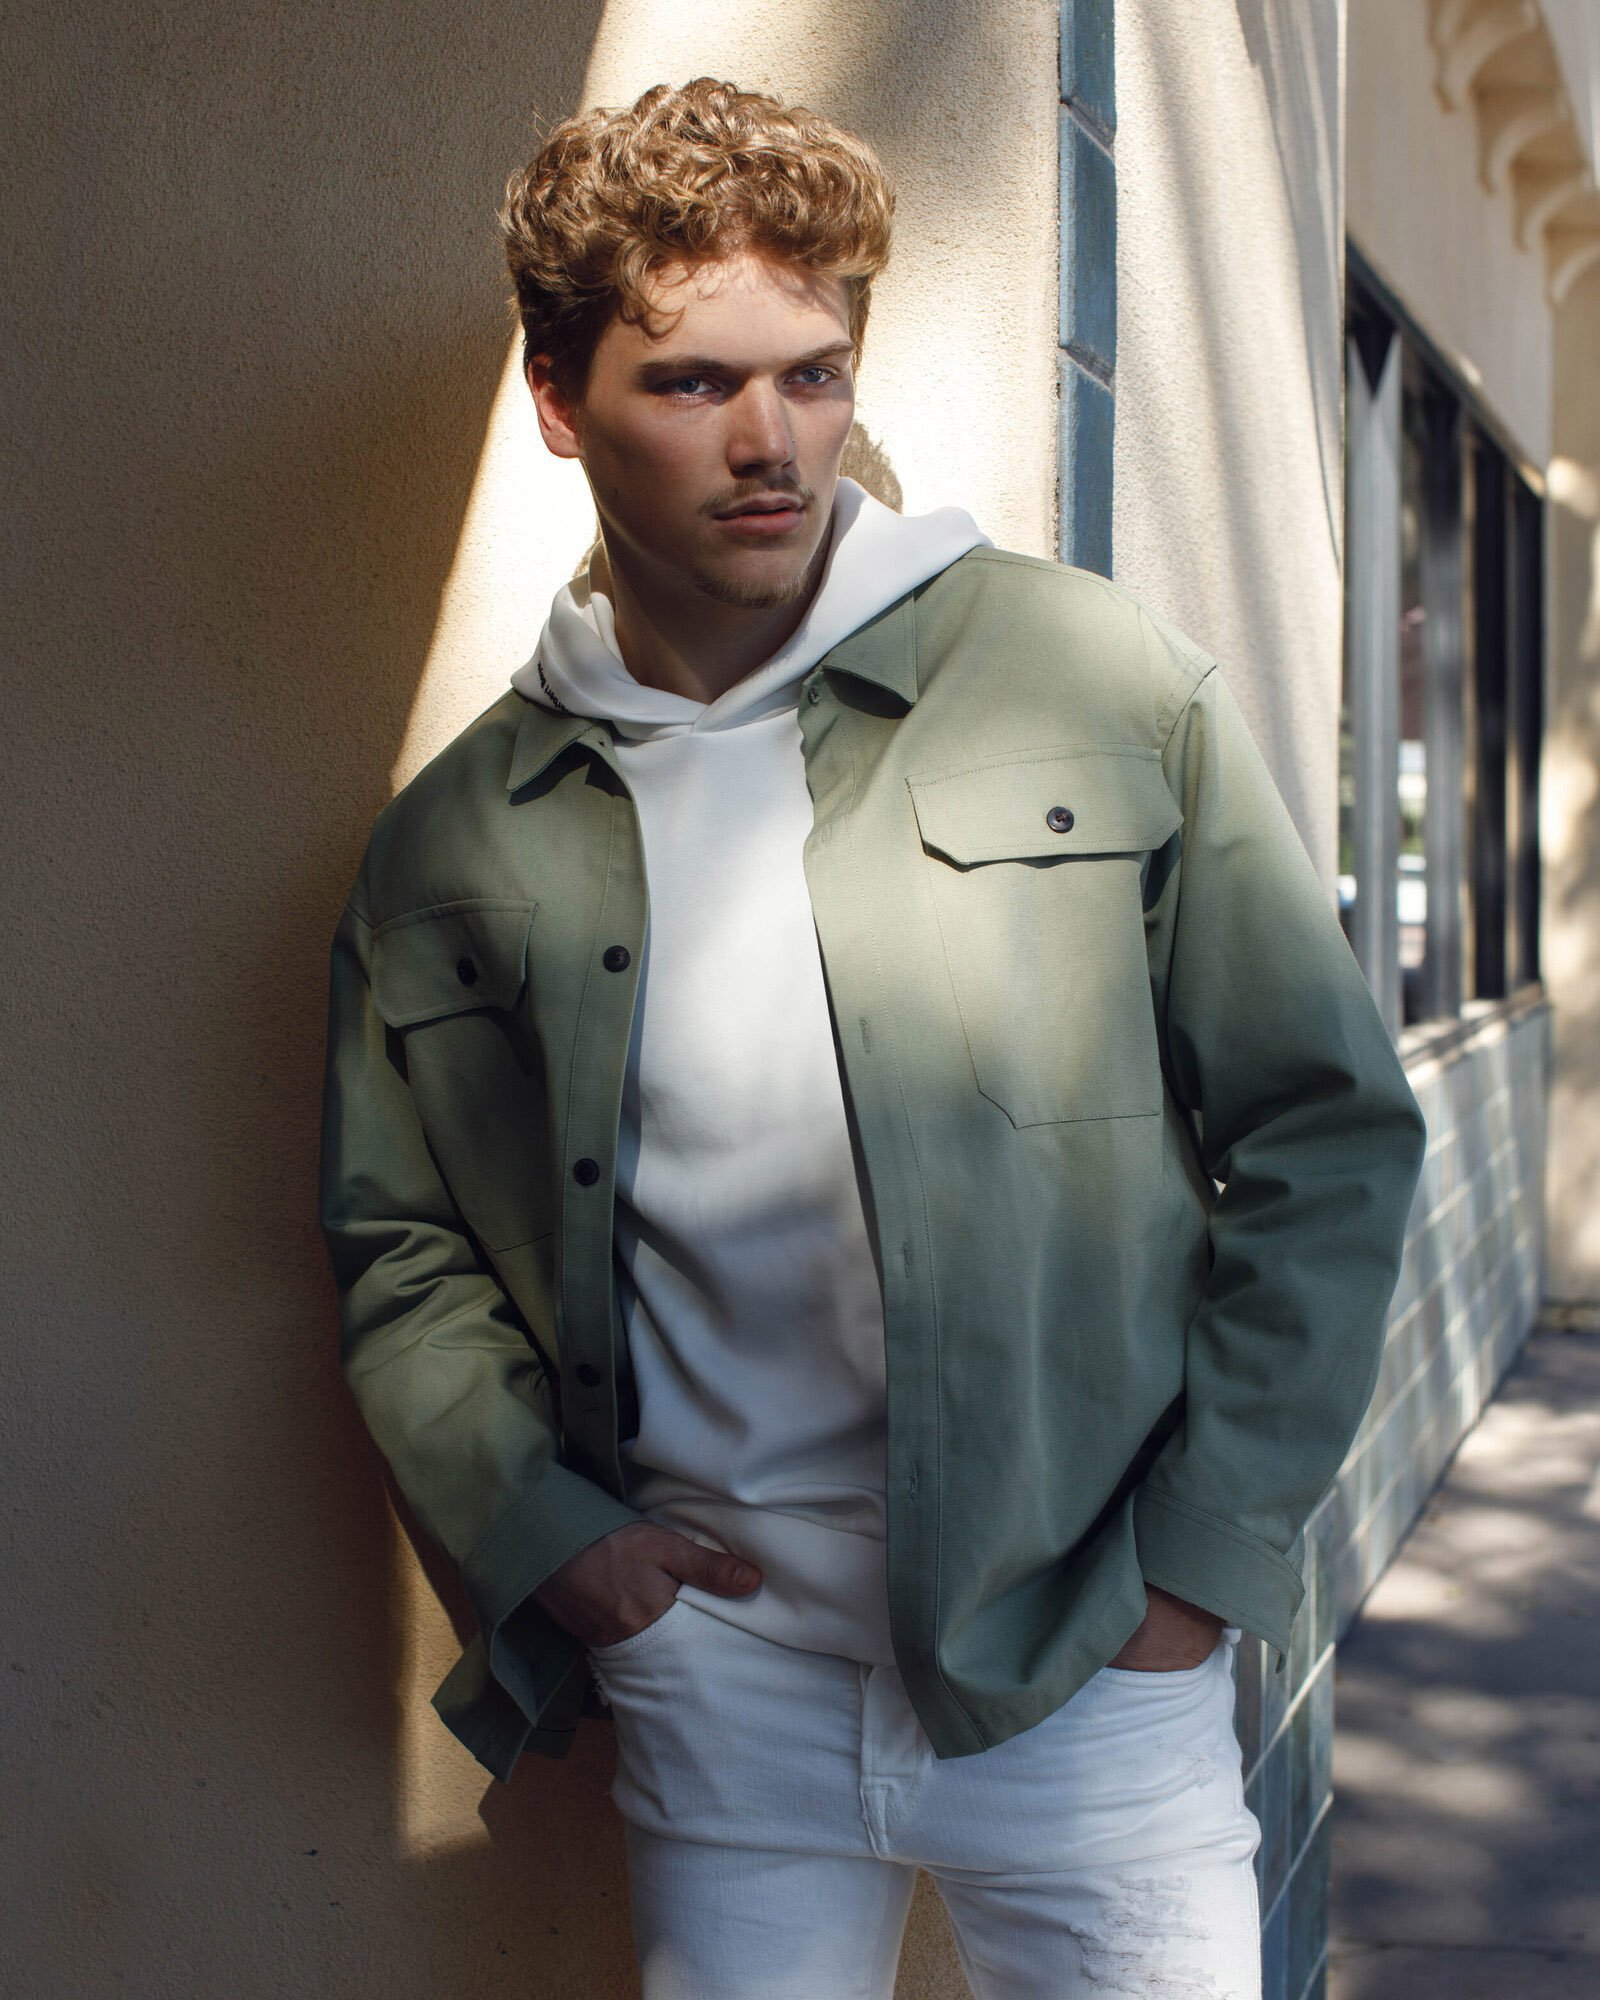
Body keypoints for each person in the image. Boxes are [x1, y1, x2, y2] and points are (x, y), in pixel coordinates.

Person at [319, 76, 1426, 1999]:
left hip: (1084, 1644)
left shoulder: (1089, 676)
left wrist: (1197, 1562)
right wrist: (548, 1542)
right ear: (560, 401)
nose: (773, 445)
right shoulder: (462, 836)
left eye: (816, 376)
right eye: (692, 385)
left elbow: (1324, 1128)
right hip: (716, 1677)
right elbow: (398, 1240)